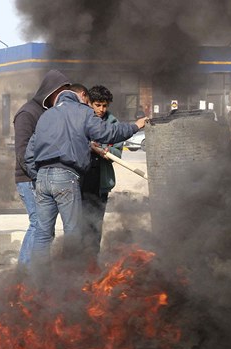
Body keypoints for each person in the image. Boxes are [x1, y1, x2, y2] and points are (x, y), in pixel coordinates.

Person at [25, 89, 148, 265]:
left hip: (42, 177)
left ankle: (36, 281)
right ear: (82, 97)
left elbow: (29, 153)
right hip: (66, 176)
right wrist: (135, 126)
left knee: (43, 233)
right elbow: (108, 133)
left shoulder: (46, 116)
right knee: (73, 233)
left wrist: (38, 177)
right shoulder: (82, 112)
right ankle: (69, 281)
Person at [13, 69, 70, 266]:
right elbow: (22, 153)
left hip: (43, 178)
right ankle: (25, 271)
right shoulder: (27, 113)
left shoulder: (50, 112)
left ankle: (34, 271)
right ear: (50, 91)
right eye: (60, 92)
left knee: (45, 227)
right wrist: (37, 177)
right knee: (38, 224)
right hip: (30, 179)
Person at [81, 85, 124, 268]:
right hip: (80, 181)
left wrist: (104, 150)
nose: (101, 109)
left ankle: (92, 265)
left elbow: (117, 152)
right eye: (97, 105)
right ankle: (75, 266)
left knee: (95, 226)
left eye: (104, 106)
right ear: (89, 103)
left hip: (101, 182)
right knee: (79, 226)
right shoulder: (81, 119)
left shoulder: (113, 123)